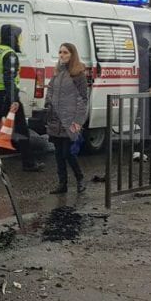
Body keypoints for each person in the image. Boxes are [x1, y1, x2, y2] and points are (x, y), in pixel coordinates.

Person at [0, 24, 43, 172]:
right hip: (8, 97)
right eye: (18, 37)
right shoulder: (9, 55)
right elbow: (9, 78)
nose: (19, 40)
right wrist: (13, 100)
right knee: (22, 129)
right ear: (13, 38)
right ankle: (29, 163)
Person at [44, 42, 90, 194]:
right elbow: (50, 89)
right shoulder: (57, 72)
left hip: (70, 120)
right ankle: (62, 184)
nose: (62, 55)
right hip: (55, 120)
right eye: (60, 52)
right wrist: (49, 102)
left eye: (65, 52)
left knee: (68, 153)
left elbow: (83, 99)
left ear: (72, 55)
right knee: (58, 154)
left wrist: (78, 122)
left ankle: (80, 178)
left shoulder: (79, 75)